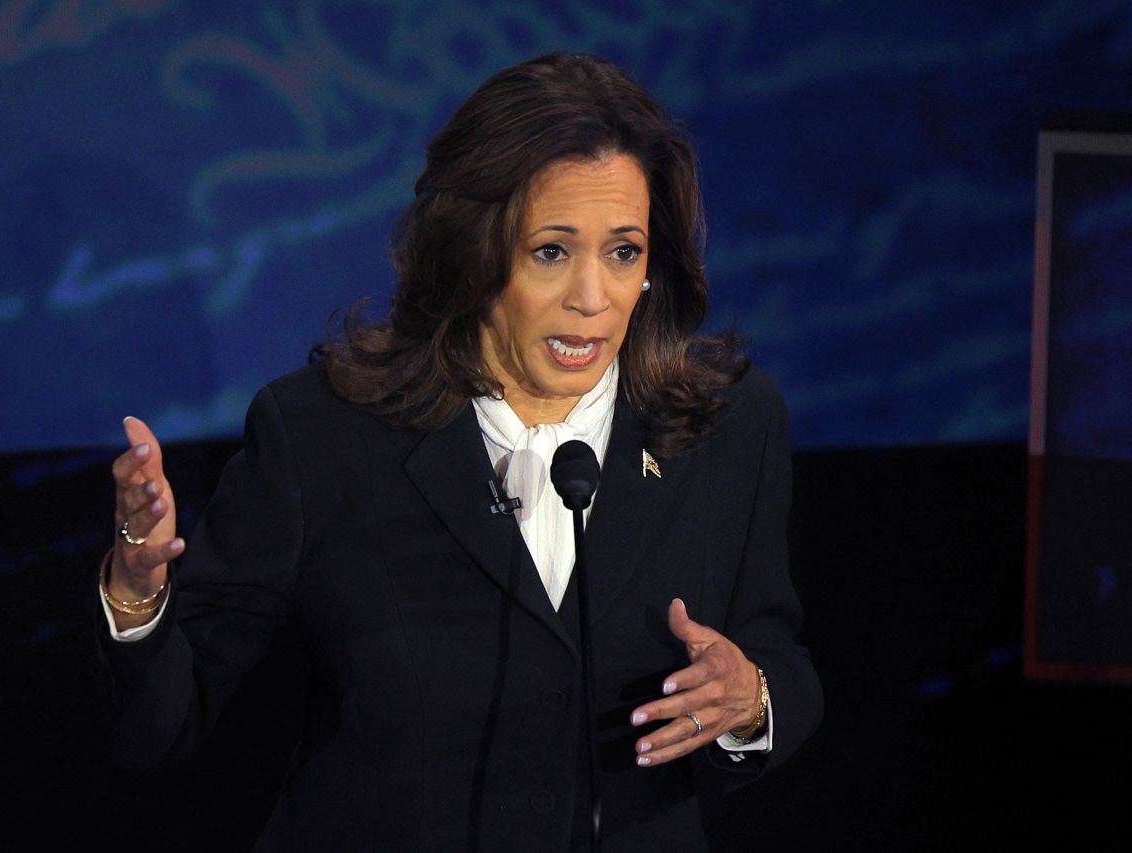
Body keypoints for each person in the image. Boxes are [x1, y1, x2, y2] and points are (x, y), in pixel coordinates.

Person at [94, 51, 823, 852]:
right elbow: (164, 725)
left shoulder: (725, 423)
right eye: (551, 250)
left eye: (624, 252)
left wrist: (749, 698)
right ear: (475, 252)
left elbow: (778, 655)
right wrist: (137, 593)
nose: (592, 298)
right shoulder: (323, 436)